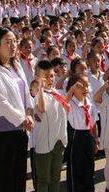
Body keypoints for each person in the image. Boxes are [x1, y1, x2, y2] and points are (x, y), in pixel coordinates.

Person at [0, 26, 34, 192]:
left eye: (14, 42)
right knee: (3, 179)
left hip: (20, 130)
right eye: (8, 42)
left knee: (18, 177)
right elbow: (1, 102)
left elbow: (26, 92)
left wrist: (29, 113)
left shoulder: (16, 65)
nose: (12, 46)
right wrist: (23, 119)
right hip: (2, 133)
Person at [33, 60, 75, 192]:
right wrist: (40, 87)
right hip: (44, 143)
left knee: (56, 177)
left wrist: (72, 89)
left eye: (51, 75)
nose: (49, 79)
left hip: (59, 141)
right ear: (37, 78)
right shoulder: (37, 95)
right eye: (45, 77)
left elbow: (65, 105)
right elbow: (42, 108)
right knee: (44, 179)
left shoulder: (57, 93)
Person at [65, 74, 96, 192]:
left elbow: (93, 123)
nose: (85, 89)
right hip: (76, 137)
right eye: (80, 86)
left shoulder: (89, 103)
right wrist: (72, 89)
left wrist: (95, 139)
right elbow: (63, 103)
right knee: (76, 169)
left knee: (89, 167)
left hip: (88, 136)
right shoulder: (71, 102)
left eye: (87, 86)